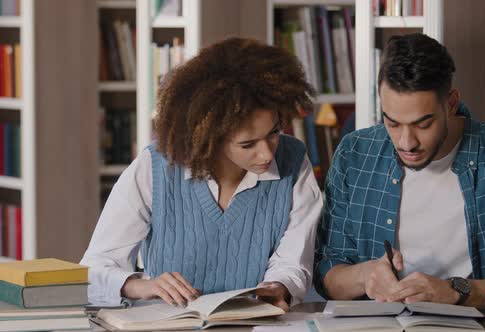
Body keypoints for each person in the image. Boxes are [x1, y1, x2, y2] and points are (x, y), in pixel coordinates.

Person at [81, 37, 323, 311]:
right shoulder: (156, 166)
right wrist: (141, 285)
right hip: (171, 326)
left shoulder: (293, 160)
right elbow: (92, 269)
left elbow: (294, 263)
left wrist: (280, 287)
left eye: (274, 133)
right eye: (248, 144)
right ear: (212, 137)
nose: (267, 154)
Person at [314, 33, 485, 308]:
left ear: (450, 103)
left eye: (422, 125)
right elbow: (327, 272)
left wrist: (457, 291)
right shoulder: (355, 154)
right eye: (392, 123)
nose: (406, 143)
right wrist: (364, 276)